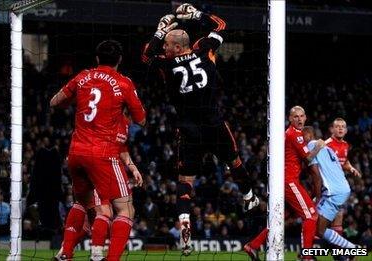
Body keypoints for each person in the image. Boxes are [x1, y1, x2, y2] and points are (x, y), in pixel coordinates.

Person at [142, 3, 259, 255]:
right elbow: (221, 26)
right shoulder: (203, 50)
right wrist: (196, 15)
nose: (164, 48)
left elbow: (146, 56)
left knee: (185, 182)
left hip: (188, 130)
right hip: (215, 123)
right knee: (235, 162)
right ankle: (249, 195)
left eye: (167, 46)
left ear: (176, 47)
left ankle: (185, 226)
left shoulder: (167, 64)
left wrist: (160, 31)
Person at [50, 40, 146, 261]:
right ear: (119, 60)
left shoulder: (82, 77)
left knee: (84, 205)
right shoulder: (123, 83)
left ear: (96, 58)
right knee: (125, 209)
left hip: (76, 153)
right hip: (102, 154)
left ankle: (65, 253)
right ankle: (102, 257)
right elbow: (141, 120)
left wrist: (74, 102)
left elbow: (54, 102)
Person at [54, 116, 143, 260]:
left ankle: (65, 252)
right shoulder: (110, 110)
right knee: (108, 210)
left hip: (81, 157)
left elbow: (122, 148)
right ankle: (95, 255)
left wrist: (133, 168)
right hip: (99, 163)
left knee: (87, 212)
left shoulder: (123, 121)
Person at [244, 106, 324, 261]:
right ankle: (307, 257)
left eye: (301, 116)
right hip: (289, 182)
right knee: (312, 215)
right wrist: (319, 146)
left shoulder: (291, 134)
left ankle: (252, 246)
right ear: (290, 119)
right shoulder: (295, 134)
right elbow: (308, 159)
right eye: (296, 117)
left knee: (281, 218)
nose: (299, 119)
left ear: (306, 118)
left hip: (286, 180)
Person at [302, 126, 358, 249]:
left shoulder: (311, 146)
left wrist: (317, 198)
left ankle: (352, 249)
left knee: (317, 228)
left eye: (302, 136)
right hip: (342, 189)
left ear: (308, 135)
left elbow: (317, 178)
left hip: (333, 192)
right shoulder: (328, 149)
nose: (300, 139)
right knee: (318, 224)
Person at [325, 118, 361, 236]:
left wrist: (351, 168)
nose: (340, 128)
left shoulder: (346, 145)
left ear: (346, 130)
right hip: (327, 187)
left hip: (338, 187)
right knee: (322, 218)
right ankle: (309, 248)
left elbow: (344, 162)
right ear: (332, 129)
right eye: (337, 126)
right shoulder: (326, 145)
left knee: (338, 215)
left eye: (343, 127)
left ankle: (337, 251)